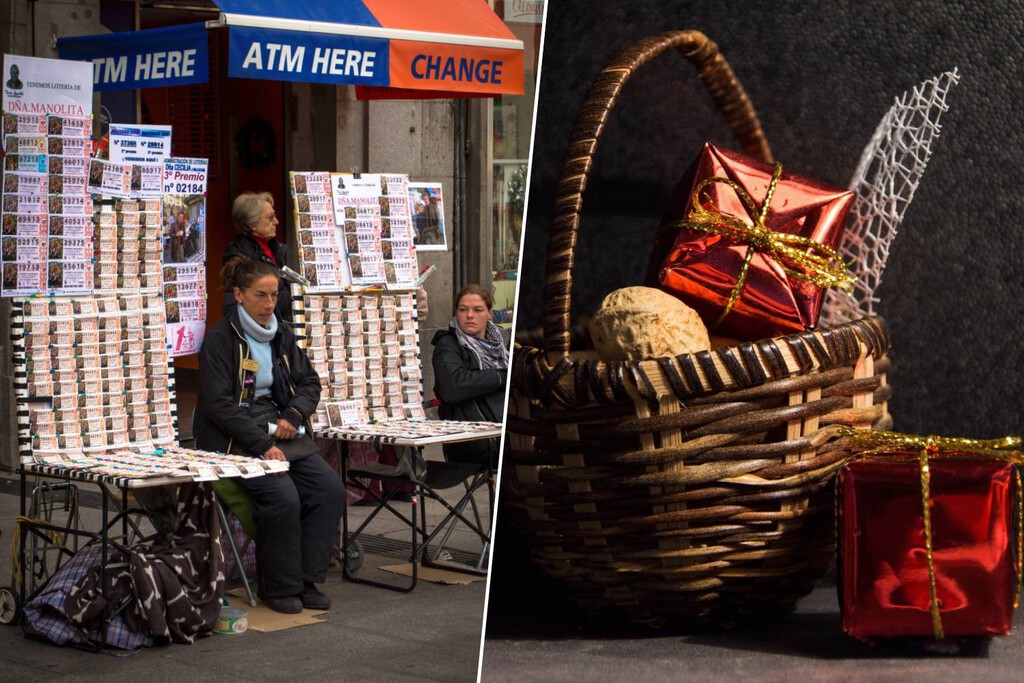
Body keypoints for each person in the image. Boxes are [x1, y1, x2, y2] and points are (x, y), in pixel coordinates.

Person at [193, 257, 344, 614]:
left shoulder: (281, 333)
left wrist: (293, 413)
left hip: (280, 425)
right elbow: (218, 405)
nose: (269, 304)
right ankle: (279, 587)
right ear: (239, 295)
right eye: (260, 295)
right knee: (283, 496)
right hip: (235, 438)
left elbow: (309, 382)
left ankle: (306, 580)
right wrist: (263, 445)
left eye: (274, 295)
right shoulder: (220, 339)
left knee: (329, 489)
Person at [431, 284, 509, 467]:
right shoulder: (448, 344)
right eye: (463, 310)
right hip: (474, 440)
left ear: (490, 313)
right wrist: (500, 377)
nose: (470, 315)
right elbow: (452, 386)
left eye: (477, 310)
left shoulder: (504, 341)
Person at [223, 191, 291, 323]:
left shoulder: (275, 247)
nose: (276, 222)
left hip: (280, 323)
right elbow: (239, 302)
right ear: (251, 224)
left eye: (275, 216)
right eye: (270, 218)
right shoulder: (239, 254)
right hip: (261, 325)